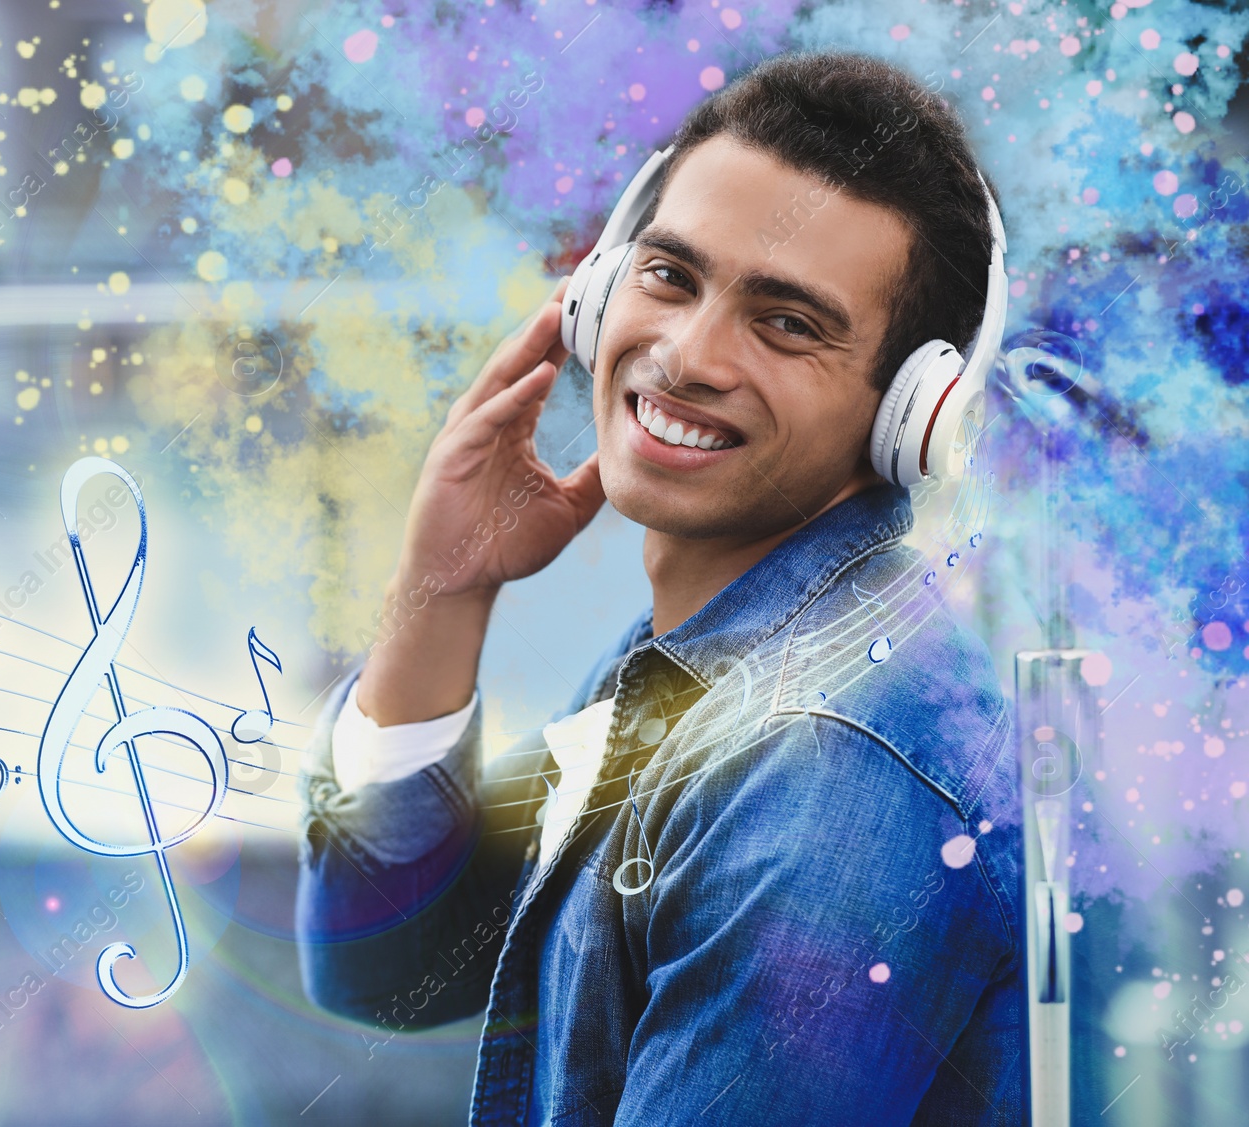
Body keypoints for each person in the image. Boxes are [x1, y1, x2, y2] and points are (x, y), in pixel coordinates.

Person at [296, 49, 1022, 1125]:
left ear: (909, 416)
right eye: (670, 275)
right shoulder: (711, 666)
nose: (684, 354)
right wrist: (442, 591)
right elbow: (381, 962)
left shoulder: (821, 761)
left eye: (786, 322)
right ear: (594, 291)